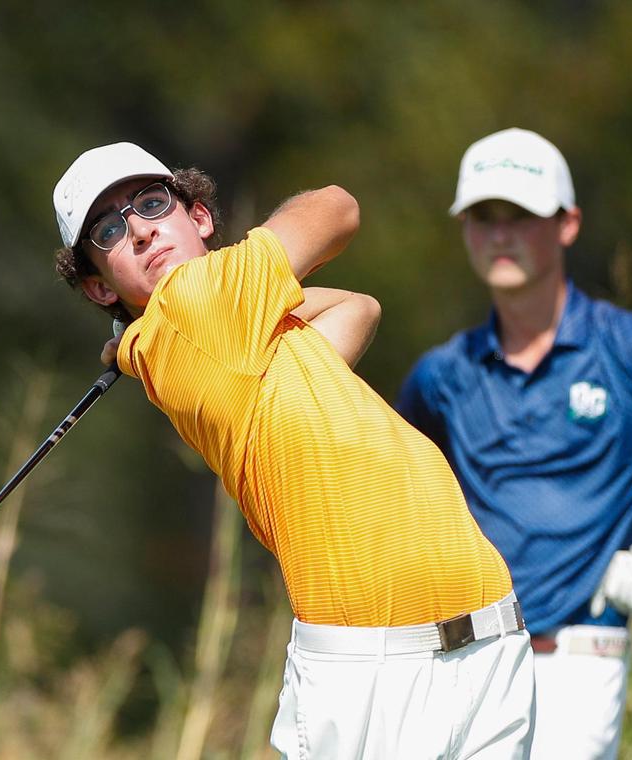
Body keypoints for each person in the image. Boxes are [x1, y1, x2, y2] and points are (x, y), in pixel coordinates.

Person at [52, 141, 535, 758]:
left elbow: (358, 310)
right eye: (111, 231)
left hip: (486, 642)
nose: (142, 231)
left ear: (197, 214)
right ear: (98, 288)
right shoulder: (195, 303)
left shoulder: (226, 331)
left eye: (151, 203)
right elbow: (337, 208)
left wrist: (253, 302)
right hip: (378, 673)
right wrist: (239, 289)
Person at [396, 127, 632, 760]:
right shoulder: (443, 374)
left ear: (567, 224)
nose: (500, 234)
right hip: (459, 661)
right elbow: (394, 505)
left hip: (578, 662)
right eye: (483, 218)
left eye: (520, 216)